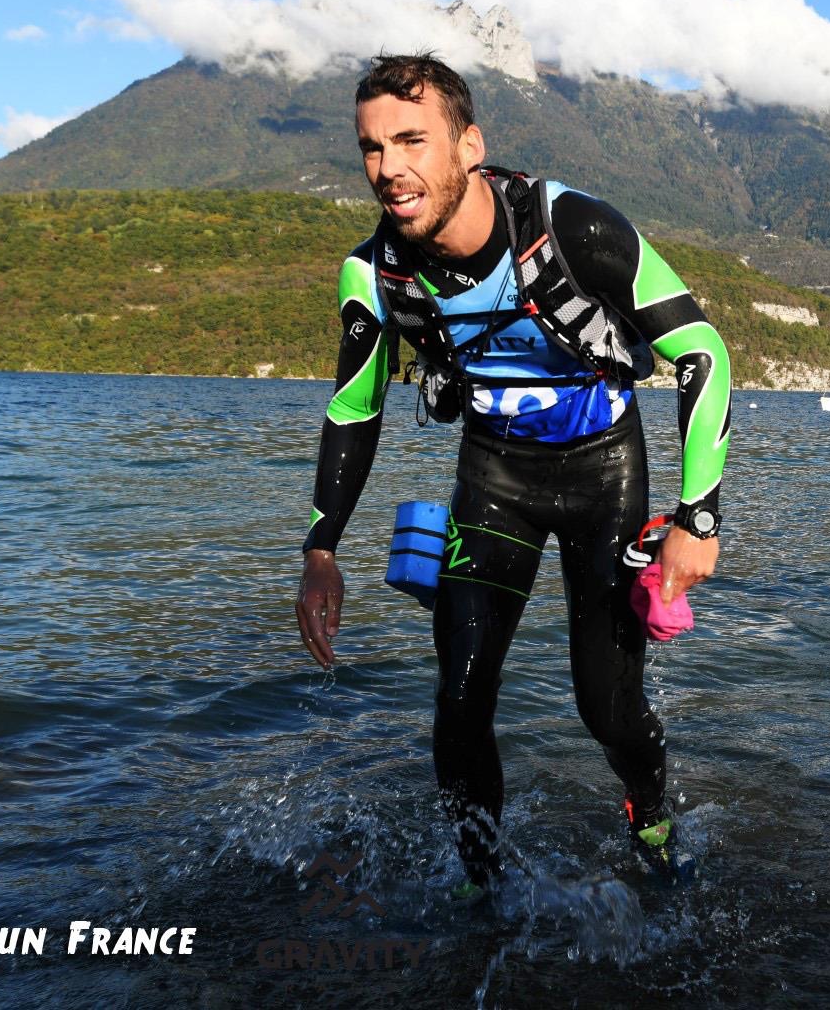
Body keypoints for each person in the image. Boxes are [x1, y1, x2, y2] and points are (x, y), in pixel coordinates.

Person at [294, 54, 731, 896]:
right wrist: (322, 550)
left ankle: (650, 810)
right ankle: (481, 886)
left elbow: (703, 354)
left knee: (606, 707)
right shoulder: (374, 273)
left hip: (605, 475)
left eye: (412, 141)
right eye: (372, 148)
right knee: (459, 698)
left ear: (469, 146)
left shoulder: (573, 227)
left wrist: (697, 518)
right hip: (495, 478)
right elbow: (354, 407)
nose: (389, 168)